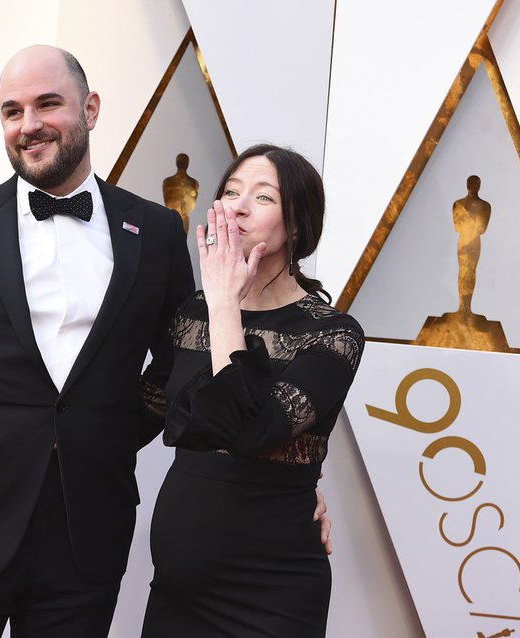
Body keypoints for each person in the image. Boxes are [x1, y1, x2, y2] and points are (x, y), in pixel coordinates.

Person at [0, 47, 329, 637]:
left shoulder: (154, 231)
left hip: (88, 528)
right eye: (12, 111)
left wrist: (289, 483)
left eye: (47, 104)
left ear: (90, 109)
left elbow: (189, 364)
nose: (29, 125)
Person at [141, 144, 364, 637]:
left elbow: (249, 431)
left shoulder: (333, 333)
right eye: (231, 192)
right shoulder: (190, 314)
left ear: (298, 226)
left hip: (273, 587)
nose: (237, 206)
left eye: (263, 197)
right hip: (178, 585)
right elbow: (140, 411)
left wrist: (225, 305)